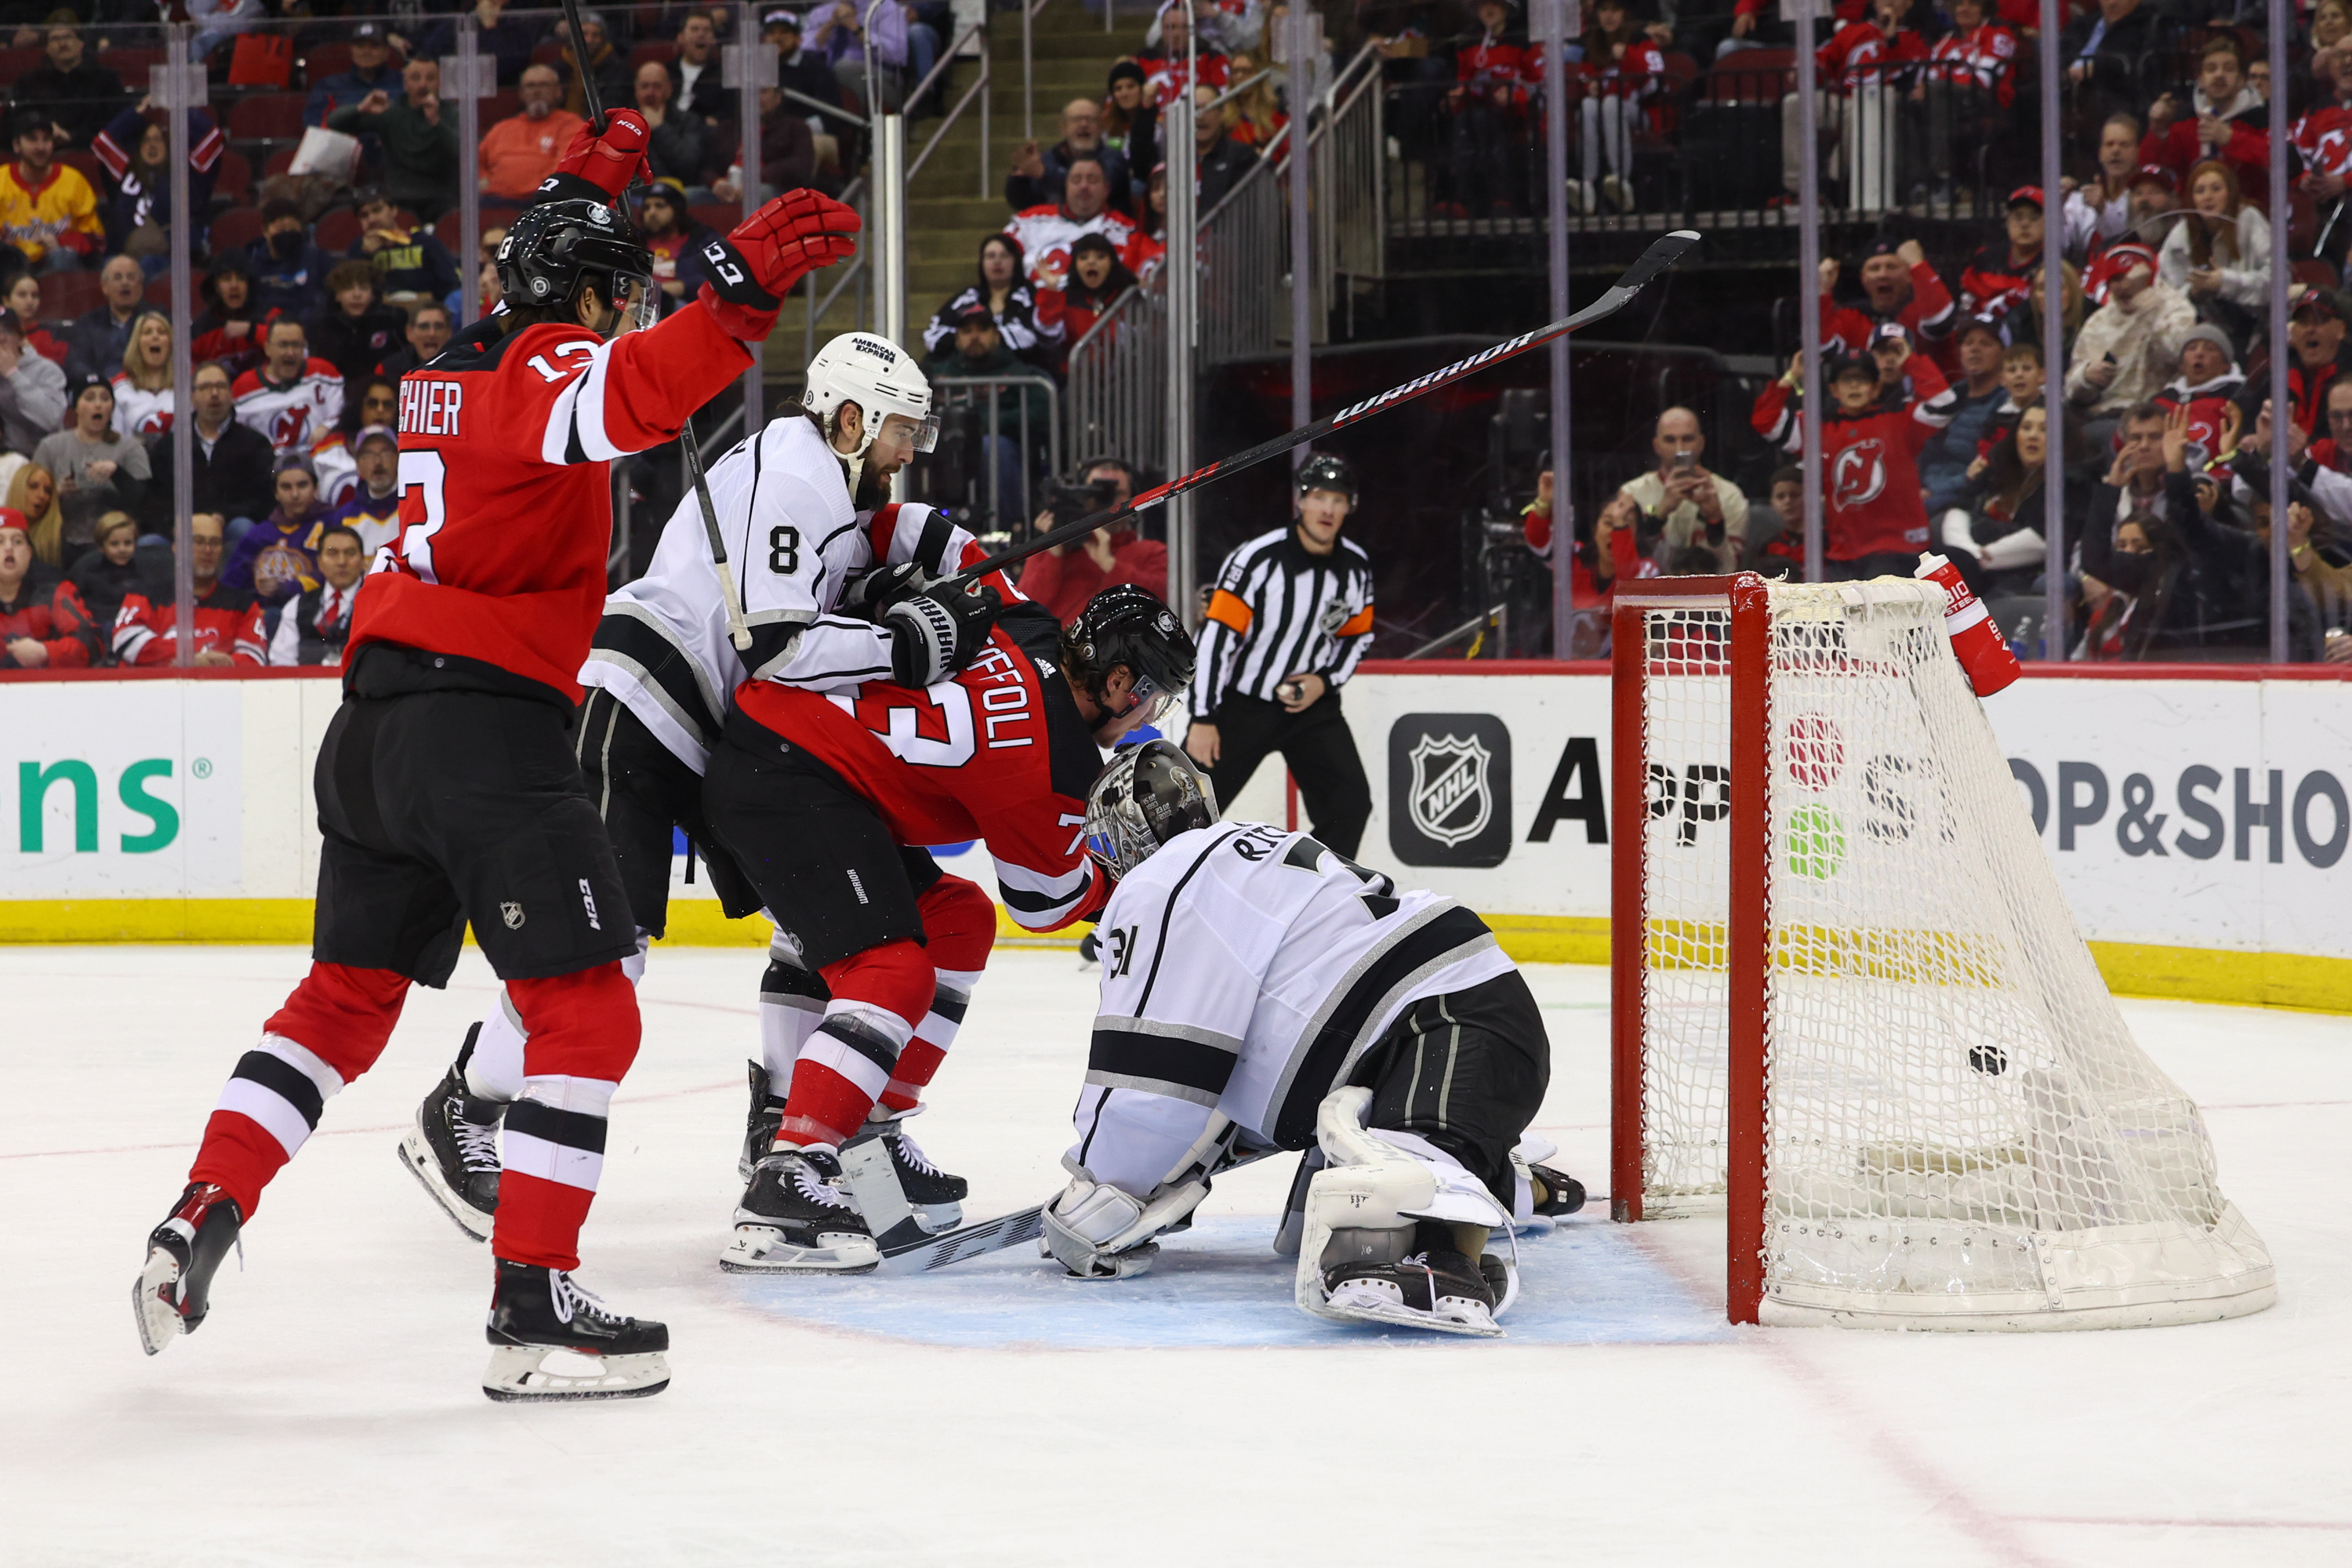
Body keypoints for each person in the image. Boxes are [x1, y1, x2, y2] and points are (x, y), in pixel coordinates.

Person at [128, 103, 862, 1402]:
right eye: (609, 292)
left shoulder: (453, 366)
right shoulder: (541, 371)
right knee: (588, 1008)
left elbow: (547, 313)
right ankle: (534, 1307)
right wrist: (733, 298)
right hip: (485, 734)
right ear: (573, 294)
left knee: (339, 1007)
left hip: (375, 731)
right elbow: (622, 396)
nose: (622, 313)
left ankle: (201, 1210)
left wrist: (596, 175)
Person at [397, 336, 1008, 1247]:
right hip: (646, 707)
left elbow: (804, 607)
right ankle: (462, 1105)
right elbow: (777, 644)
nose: (907, 453)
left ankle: (783, 1139)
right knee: (606, 955)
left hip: (722, 734)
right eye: (898, 433)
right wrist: (905, 641)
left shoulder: (825, 484)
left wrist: (897, 590)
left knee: (816, 926)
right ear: (850, 419)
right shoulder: (797, 474)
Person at [705, 586, 1192, 1273]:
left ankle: (866, 1138)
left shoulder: (1028, 624)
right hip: (790, 782)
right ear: (1118, 684)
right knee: (890, 973)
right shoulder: (1055, 763)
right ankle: (786, 1181)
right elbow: (1046, 903)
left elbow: (956, 558)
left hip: (793, 758)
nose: (1152, 714)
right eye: (1155, 697)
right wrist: (1132, 882)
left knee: (957, 919)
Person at [1042, 740, 1576, 1337]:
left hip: (1439, 1022)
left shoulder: (1162, 881)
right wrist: (1182, 1164)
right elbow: (1258, 1040)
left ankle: (1471, 1195)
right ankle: (1516, 1181)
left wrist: (1108, 1187)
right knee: (1319, 1219)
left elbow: (1151, 1076)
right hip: (1443, 1023)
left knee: (1377, 1246)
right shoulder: (1239, 854)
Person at [1185, 452, 1376, 858]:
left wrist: (1322, 682)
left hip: (1312, 709)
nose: (1328, 508)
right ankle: (1136, 909)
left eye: (1339, 499)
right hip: (1241, 707)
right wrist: (1203, 717)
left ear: (1350, 507)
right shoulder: (1257, 559)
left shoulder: (1356, 568)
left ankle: (1313, 904)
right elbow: (1216, 639)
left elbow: (1357, 638)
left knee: (1351, 804)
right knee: (1184, 814)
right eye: (1320, 496)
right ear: (1301, 500)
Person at [1755, 345, 1955, 578]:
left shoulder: (1901, 419)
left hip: (1898, 548)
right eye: (1846, 380)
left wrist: (1911, 362)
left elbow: (1945, 403)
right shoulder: (1819, 429)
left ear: (1876, 388)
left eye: (1862, 379)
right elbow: (1766, 422)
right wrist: (1792, 377)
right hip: (1844, 553)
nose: (1854, 386)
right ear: (1834, 390)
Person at [920, 307, 1053, 527]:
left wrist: (982, 423)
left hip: (1004, 452)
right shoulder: (937, 372)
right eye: (967, 331)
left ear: (996, 336)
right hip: (948, 451)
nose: (974, 337)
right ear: (957, 338)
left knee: (995, 447)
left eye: (982, 329)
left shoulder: (1022, 373)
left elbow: (1040, 414)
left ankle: (1007, 530)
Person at [1016, 454, 1167, 619]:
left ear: (1134, 497)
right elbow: (1024, 609)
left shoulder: (1152, 552)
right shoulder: (1052, 549)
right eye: (1098, 492)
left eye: (1118, 493)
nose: (1108, 501)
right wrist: (1053, 553)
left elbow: (1162, 600)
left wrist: (1110, 565)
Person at [2066, 241, 2192, 434]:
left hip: (2157, 413)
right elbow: (2071, 389)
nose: (2123, 286)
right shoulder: (2098, 323)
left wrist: (2150, 311)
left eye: (2128, 278)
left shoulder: (2175, 307)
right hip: (2104, 413)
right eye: (2116, 279)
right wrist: (2086, 376)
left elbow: (2179, 355)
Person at [111, 511, 267, 666]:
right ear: (177, 548)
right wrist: (189, 658)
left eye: (215, 543)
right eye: (198, 541)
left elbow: (254, 657)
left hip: (216, 689)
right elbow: (125, 639)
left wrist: (218, 665)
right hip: (153, 689)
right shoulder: (144, 595)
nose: (207, 550)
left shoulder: (243, 605)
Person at [147, 360, 275, 539]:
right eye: (205, 387)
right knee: (149, 543)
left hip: (230, 526)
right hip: (182, 531)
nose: (214, 394)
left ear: (231, 394)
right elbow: (154, 499)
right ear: (192, 397)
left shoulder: (255, 444)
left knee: (243, 528)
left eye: (221, 387)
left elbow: (264, 498)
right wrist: (176, 523)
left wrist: (225, 516)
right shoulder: (169, 446)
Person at [1004, 152, 1163, 290]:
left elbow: (1154, 269)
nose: (1084, 186)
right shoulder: (1029, 222)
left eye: (1092, 180)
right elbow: (997, 257)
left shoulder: (1127, 233)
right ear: (1066, 187)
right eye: (1076, 180)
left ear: (1107, 189)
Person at [328, 56, 461, 223]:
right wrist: (361, 107)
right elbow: (334, 122)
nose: (423, 85)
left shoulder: (451, 113)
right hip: (400, 198)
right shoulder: (391, 112)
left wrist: (435, 122)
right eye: (416, 78)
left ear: (440, 83)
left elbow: (461, 153)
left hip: (443, 198)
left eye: (430, 78)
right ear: (405, 84)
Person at [1617, 407, 1748, 573]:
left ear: (1701, 443)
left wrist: (1715, 520)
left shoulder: (1730, 495)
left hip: (1709, 595)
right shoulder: (1632, 493)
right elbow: (1626, 565)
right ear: (1657, 446)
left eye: (1687, 439)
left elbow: (1731, 569)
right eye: (1670, 440)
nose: (1680, 449)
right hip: (1653, 594)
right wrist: (1659, 515)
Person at [2139, 33, 2267, 199]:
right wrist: (2158, 132)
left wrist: (2232, 139)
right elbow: (2153, 169)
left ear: (2241, 80)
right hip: (2194, 219)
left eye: (2228, 69)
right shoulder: (2184, 120)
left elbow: (2282, 163)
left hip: (2249, 215)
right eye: (2211, 69)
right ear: (2200, 79)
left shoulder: (2262, 117)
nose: (2219, 75)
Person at [89, 103, 221, 265]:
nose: (152, 145)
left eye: (158, 140)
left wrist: (176, 106)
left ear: (168, 145)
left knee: (148, 263)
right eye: (146, 140)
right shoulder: (123, 175)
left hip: (171, 263)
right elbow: (102, 144)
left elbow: (212, 139)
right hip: (124, 260)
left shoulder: (187, 177)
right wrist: (140, 109)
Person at [34, 374, 147, 564]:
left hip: (117, 543)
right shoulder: (50, 446)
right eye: (89, 398)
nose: (98, 405)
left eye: (105, 398)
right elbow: (28, 498)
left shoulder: (131, 448)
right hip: (64, 539)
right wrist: (56, 493)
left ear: (112, 407)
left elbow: (145, 504)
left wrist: (117, 474)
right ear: (76, 407)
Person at [2155, 159, 2270, 336]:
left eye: (2216, 189)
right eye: (2200, 191)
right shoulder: (2180, 235)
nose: (2208, 197)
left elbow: (2276, 281)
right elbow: (2165, 295)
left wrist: (2225, 281)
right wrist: (2193, 293)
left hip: (2257, 328)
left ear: (2230, 192)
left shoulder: (2250, 220)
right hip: (2199, 331)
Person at [1918, 0, 2015, 205]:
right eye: (1959, 4)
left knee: (1936, 91)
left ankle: (1945, 180)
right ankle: (1917, 181)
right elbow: (1930, 75)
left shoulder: (1999, 34)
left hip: (1985, 99)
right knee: (1907, 103)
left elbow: (1985, 79)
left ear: (1984, 8)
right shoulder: (1945, 42)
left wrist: (1937, 84)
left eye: (1972, 4)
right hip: (1948, 98)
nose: (1964, 9)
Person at [1573, 0, 1663, 217]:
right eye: (1604, 10)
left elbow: (1654, 84)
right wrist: (1590, 87)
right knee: (1588, 105)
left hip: (1638, 111)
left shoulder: (1639, 39)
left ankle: (1620, 179)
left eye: (1615, 10)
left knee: (1612, 104)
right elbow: (1582, 81)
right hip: (1604, 110)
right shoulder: (1593, 44)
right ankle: (1587, 183)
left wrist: (1627, 56)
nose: (1609, 16)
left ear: (1625, 13)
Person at [923, 233, 1059, 370]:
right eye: (990, 256)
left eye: (1004, 256)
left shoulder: (1030, 296)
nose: (997, 262)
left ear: (1016, 261)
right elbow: (933, 334)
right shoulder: (966, 297)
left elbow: (1037, 337)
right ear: (982, 263)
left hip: (1019, 374)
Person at [1919, 317, 2009, 516]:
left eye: (1985, 344)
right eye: (1968, 343)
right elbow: (1922, 451)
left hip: (1966, 496)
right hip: (1927, 488)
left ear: (2004, 353)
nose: (1974, 349)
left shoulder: (2006, 404)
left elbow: (1984, 471)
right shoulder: (1947, 396)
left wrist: (1933, 491)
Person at [1819, 237, 1956, 358]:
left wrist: (1918, 266)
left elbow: (1940, 322)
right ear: (1863, 278)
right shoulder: (1851, 317)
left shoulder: (1921, 310)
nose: (1883, 274)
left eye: (1892, 267)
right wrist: (1821, 292)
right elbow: (1824, 348)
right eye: (1874, 268)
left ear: (1909, 275)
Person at [0, 111, 102, 273]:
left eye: (46, 139)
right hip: (10, 271)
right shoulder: (1, 180)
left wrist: (60, 243)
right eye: (32, 139)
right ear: (16, 145)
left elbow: (95, 238)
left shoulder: (73, 181)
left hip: (57, 268)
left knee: (63, 257)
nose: (40, 147)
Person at [220, 456, 329, 606]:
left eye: (302, 485)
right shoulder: (258, 535)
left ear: (315, 489)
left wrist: (286, 588)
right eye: (286, 487)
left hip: (312, 612)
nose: (295, 494)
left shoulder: (333, 525)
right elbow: (230, 587)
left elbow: (335, 576)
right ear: (276, 493)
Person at [234, 319, 344, 461]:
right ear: (267, 348)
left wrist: (328, 427)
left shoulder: (323, 372)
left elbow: (342, 416)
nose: (290, 352)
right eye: (283, 345)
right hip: (268, 470)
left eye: (296, 345)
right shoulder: (243, 388)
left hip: (319, 460)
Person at [0, 506, 96, 668]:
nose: (9, 547)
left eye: (17, 541)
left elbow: (90, 641)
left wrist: (46, 652)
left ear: (29, 552)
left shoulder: (54, 589)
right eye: (0, 541)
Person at [480, 64, 590, 205]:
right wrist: (484, 182)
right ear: (521, 93)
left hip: (541, 203)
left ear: (558, 91)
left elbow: (564, 171)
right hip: (494, 203)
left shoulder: (571, 125)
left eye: (544, 85)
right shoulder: (502, 128)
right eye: (530, 86)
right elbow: (478, 164)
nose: (537, 91)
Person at [1007, 97, 1134, 216]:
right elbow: (1024, 204)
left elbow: (1094, 190)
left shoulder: (1114, 159)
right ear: (1063, 128)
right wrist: (1020, 178)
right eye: (1076, 119)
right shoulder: (1048, 159)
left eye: (1090, 120)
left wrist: (1044, 174)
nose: (1084, 124)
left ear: (1101, 127)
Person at [11, 24, 124, 151]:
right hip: (42, 148)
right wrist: (46, 128)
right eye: (55, 39)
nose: (62, 43)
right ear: (47, 48)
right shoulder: (30, 81)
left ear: (81, 44)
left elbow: (116, 121)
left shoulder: (106, 78)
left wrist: (73, 136)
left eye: (68, 37)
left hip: (91, 150)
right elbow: (17, 117)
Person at [267, 524, 365, 666]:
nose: (342, 562)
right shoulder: (297, 606)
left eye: (350, 553)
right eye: (333, 553)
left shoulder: (378, 604)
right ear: (319, 562)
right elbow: (282, 662)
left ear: (363, 561)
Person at [348, 191, 461, 307]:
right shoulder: (357, 249)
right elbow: (349, 291)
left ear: (394, 210)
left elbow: (450, 282)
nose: (371, 219)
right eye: (364, 215)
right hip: (378, 316)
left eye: (377, 210)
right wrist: (366, 254)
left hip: (423, 311)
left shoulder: (426, 243)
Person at [306, 262, 408, 388]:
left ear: (373, 295)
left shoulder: (393, 320)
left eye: (364, 288)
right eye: (348, 288)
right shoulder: (323, 327)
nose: (357, 295)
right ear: (337, 295)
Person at [1040, 230, 1140, 354]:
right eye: (1083, 258)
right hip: (1074, 372)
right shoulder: (1066, 297)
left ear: (1112, 262)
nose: (1091, 262)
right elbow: (1048, 336)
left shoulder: (1129, 296)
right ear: (1075, 264)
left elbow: (1139, 343)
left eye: (1100, 257)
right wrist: (1051, 293)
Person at [1958, 187, 2046, 321]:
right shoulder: (1985, 259)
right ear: (2007, 220)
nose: (2025, 224)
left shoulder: (2055, 265)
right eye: (2018, 216)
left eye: (2034, 218)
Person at [189, 257, 277, 381]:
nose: (234, 285)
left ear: (249, 284)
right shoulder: (201, 328)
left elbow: (288, 347)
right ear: (216, 286)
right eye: (226, 279)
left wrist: (252, 330)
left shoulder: (269, 314)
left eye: (241, 279)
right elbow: (184, 368)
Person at [61, 253, 143, 385]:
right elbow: (77, 363)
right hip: (103, 391)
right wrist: (100, 384)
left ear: (140, 286)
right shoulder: (87, 324)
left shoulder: (155, 321)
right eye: (118, 277)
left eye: (131, 277)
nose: (125, 282)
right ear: (105, 287)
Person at [67, 510, 154, 634]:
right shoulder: (87, 571)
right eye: (114, 544)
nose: (122, 549)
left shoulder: (144, 570)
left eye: (128, 543)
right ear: (102, 546)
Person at [245, 201, 333, 320]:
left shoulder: (318, 259)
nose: (287, 234)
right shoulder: (252, 261)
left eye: (292, 229)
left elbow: (326, 300)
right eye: (281, 230)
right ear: (265, 231)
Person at [305, 22, 400, 129]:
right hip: (344, 144)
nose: (366, 51)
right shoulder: (328, 86)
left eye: (374, 45)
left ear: (386, 52)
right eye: (360, 46)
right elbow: (313, 124)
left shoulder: (404, 83)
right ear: (351, 50)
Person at [0, 303, 66, 457]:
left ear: (20, 336)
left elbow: (51, 419)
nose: (1, 338)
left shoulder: (47, 370)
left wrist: (13, 374)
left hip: (44, 459)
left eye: (7, 331)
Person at [328, 425, 404, 553]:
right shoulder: (344, 517)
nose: (378, 462)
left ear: (398, 458)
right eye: (368, 454)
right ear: (358, 464)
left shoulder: (414, 508)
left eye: (385, 452)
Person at [1142, 2, 1231, 108]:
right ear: (1161, 29)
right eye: (1170, 27)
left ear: (1195, 29)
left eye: (1184, 27)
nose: (1176, 34)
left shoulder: (1212, 59)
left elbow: (1224, 102)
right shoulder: (1144, 59)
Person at [1189, 84, 1260, 212]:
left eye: (1208, 108)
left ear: (1221, 113)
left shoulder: (1242, 155)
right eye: (1195, 109)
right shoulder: (1178, 157)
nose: (1201, 116)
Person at [1100, 59, 1159, 209]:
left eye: (1130, 86)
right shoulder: (1108, 128)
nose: (1124, 93)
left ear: (1142, 88)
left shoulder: (1158, 123)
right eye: (1118, 89)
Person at [555, 11, 633, 122]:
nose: (589, 40)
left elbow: (612, 106)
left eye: (595, 35)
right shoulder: (559, 67)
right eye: (583, 34)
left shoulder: (617, 69)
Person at [110, 309, 173, 442]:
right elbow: (115, 440)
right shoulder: (119, 388)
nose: (155, 336)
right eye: (147, 332)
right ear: (137, 344)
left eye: (161, 332)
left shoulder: (188, 387)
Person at [5, 459, 62, 565]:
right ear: (18, 488)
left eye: (48, 491)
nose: (41, 495)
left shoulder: (58, 542)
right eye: (33, 486)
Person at [379, 301, 454, 382]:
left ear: (449, 332)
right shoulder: (388, 369)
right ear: (409, 333)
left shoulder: (463, 367)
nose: (432, 333)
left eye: (438, 327)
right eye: (424, 327)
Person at [5, 272, 67, 364]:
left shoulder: (53, 335)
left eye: (35, 295)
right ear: (6, 301)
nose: (30, 301)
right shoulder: (3, 335)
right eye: (22, 295)